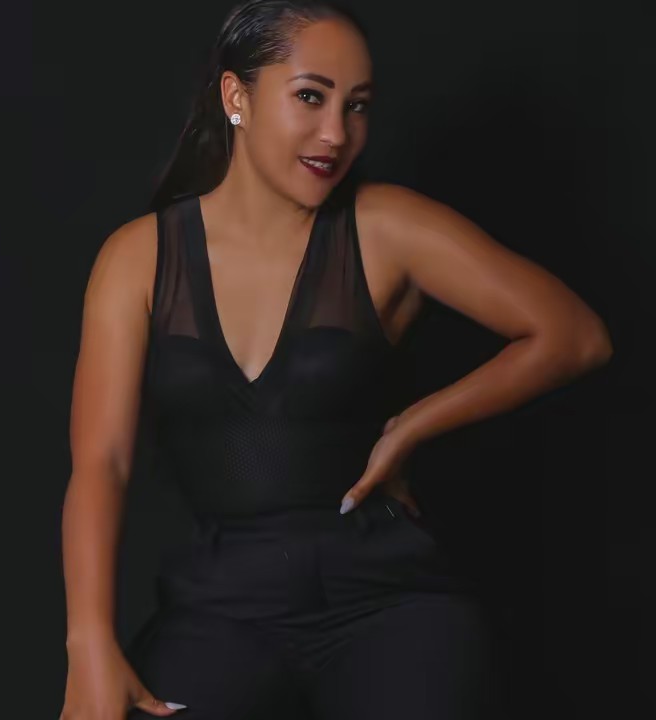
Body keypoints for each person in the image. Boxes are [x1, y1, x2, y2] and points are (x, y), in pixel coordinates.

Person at [58, 1, 614, 718]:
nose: (337, 133)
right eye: (310, 97)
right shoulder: (139, 258)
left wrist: (415, 423)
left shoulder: (386, 227)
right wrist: (89, 642)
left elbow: (574, 336)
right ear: (236, 97)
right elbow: (102, 463)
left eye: (357, 106)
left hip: (390, 604)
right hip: (219, 611)